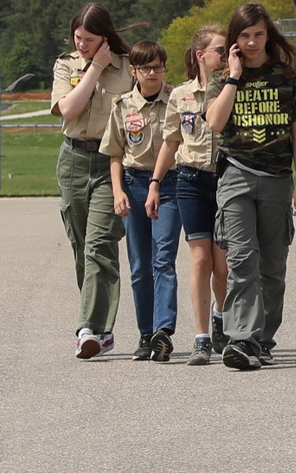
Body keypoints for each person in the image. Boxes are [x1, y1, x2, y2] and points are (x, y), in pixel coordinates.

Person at [204, 2, 296, 370]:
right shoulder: (222, 78)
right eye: (244, 36)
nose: (252, 43)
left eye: (258, 35)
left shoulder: (288, 76)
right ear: (234, 40)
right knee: (241, 259)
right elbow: (216, 123)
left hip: (277, 181)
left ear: (268, 35)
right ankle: (241, 338)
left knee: (272, 264)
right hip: (235, 174)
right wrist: (234, 77)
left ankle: (262, 339)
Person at [51, 2, 136, 359]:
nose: (82, 44)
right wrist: (94, 67)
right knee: (81, 245)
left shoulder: (129, 66)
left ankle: (90, 328)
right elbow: (68, 109)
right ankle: (99, 327)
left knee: (99, 243)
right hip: (72, 159)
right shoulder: (67, 65)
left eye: (89, 39)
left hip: (110, 162)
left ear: (105, 37)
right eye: (78, 37)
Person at [145, 26, 230, 366]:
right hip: (191, 181)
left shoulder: (231, 90)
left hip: (225, 180)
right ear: (201, 55)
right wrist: (154, 182)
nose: (225, 56)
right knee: (200, 260)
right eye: (220, 51)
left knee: (222, 265)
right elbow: (170, 142)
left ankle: (221, 314)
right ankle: (201, 337)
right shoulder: (180, 95)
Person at [100, 40, 182, 362]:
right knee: (139, 265)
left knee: (164, 257)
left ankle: (164, 330)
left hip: (169, 185)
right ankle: (145, 334)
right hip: (133, 184)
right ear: (133, 70)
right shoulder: (122, 106)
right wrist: (118, 191)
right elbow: (115, 155)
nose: (152, 73)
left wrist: (158, 184)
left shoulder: (176, 100)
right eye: (145, 67)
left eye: (158, 66)